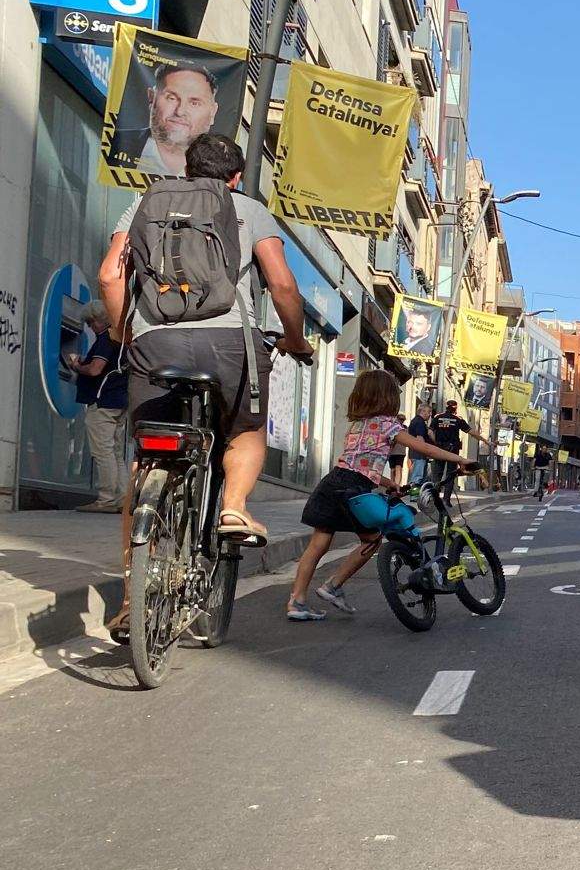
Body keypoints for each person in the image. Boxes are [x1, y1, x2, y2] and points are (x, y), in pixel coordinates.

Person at [97, 132, 314, 636]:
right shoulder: (249, 209)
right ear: (235, 177)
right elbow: (281, 284)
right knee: (243, 430)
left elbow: (112, 275)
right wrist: (297, 337)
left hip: (157, 343)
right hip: (229, 342)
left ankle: (133, 597)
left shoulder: (145, 202)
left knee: (148, 458)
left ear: (186, 166)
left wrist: (121, 331)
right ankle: (234, 508)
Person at [285, 369, 475, 622]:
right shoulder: (389, 425)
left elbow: (357, 463)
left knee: (318, 544)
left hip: (332, 483)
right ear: (388, 397)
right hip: (353, 490)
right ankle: (333, 585)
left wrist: (387, 482)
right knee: (372, 539)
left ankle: (296, 601)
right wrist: (460, 459)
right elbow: (423, 447)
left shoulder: (357, 424)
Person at [108, 62, 221, 179]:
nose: (180, 111)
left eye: (194, 103)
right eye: (171, 98)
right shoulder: (114, 144)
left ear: (213, 112)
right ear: (152, 98)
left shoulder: (218, 175)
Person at [68, 300, 129, 512]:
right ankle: (122, 498)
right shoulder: (121, 337)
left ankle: (106, 499)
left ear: (98, 320)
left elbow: (95, 370)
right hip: (119, 401)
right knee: (115, 453)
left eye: (90, 323)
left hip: (103, 401)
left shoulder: (105, 338)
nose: (90, 328)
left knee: (102, 452)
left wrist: (77, 365)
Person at [403, 401, 432, 486]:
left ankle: (416, 496)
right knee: (417, 477)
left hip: (414, 452)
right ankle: (414, 497)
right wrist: (426, 451)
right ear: (422, 411)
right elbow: (420, 438)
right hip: (419, 454)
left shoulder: (415, 421)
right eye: (428, 412)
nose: (430, 414)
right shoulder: (419, 422)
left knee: (418, 476)